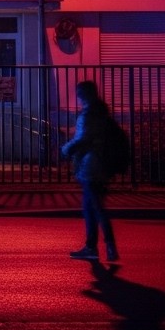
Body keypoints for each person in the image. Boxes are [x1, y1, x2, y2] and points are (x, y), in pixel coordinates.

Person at [60, 80, 119, 262]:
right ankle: (92, 246)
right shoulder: (101, 112)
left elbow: (83, 138)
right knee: (90, 208)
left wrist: (66, 149)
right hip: (99, 164)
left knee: (95, 208)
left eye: (79, 94)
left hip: (91, 166)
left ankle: (108, 246)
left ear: (84, 95)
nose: (77, 98)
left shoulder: (89, 114)